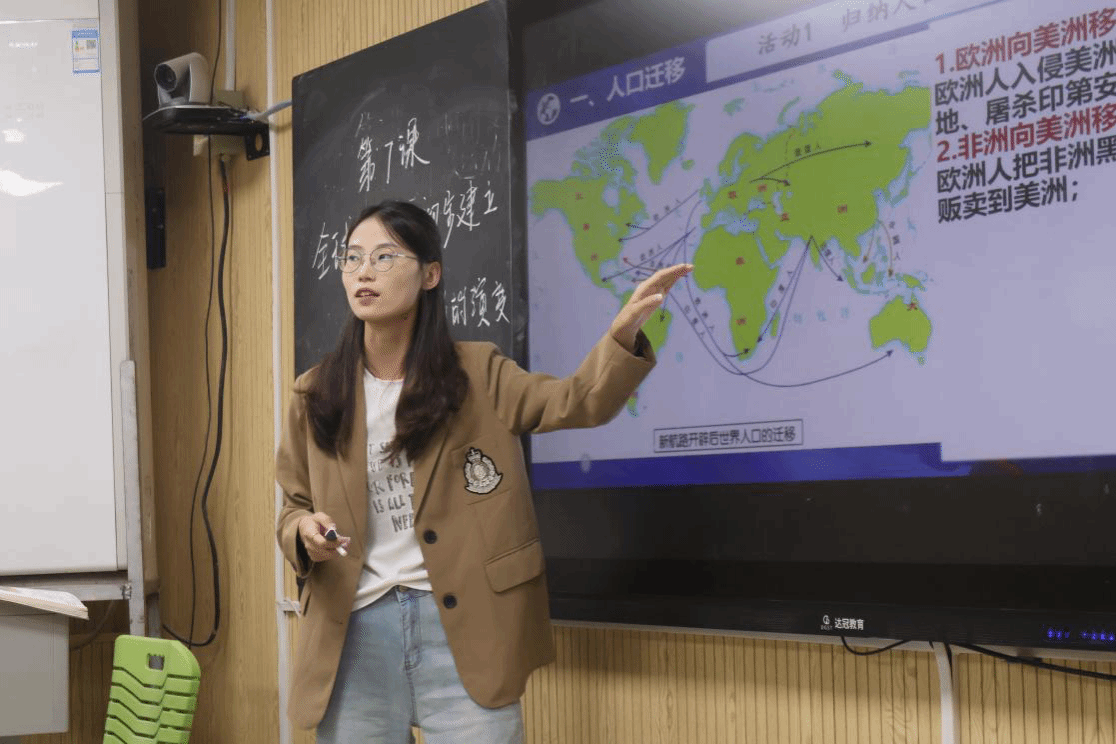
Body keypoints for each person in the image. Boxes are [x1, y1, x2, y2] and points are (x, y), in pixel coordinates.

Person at [275, 199, 691, 743]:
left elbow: (576, 401)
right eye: (352, 258)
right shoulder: (315, 391)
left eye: (384, 256)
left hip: (463, 627)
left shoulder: (478, 372)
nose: (363, 272)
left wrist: (621, 337)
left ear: (430, 274)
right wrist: (304, 532)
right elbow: (293, 506)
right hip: (353, 633)